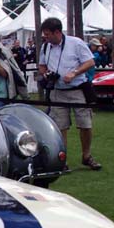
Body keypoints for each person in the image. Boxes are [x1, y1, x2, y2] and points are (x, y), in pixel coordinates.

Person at [38, 17, 101, 170]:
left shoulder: (76, 43)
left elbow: (90, 62)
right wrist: (46, 74)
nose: (44, 37)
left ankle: (86, 156)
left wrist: (74, 73)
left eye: (47, 34)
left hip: (78, 90)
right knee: (60, 127)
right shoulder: (45, 47)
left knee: (85, 124)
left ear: (57, 32)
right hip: (57, 92)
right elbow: (41, 65)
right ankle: (62, 160)